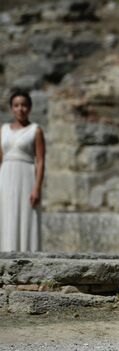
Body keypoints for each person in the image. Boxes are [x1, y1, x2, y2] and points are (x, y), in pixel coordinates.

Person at [0, 90, 45, 252]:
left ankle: (27, 257)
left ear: (30, 108)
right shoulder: (3, 129)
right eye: (16, 105)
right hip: (5, 177)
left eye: (24, 105)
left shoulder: (35, 130)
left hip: (26, 177)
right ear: (12, 108)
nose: (20, 109)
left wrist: (37, 188)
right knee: (6, 215)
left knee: (26, 216)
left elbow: (40, 161)